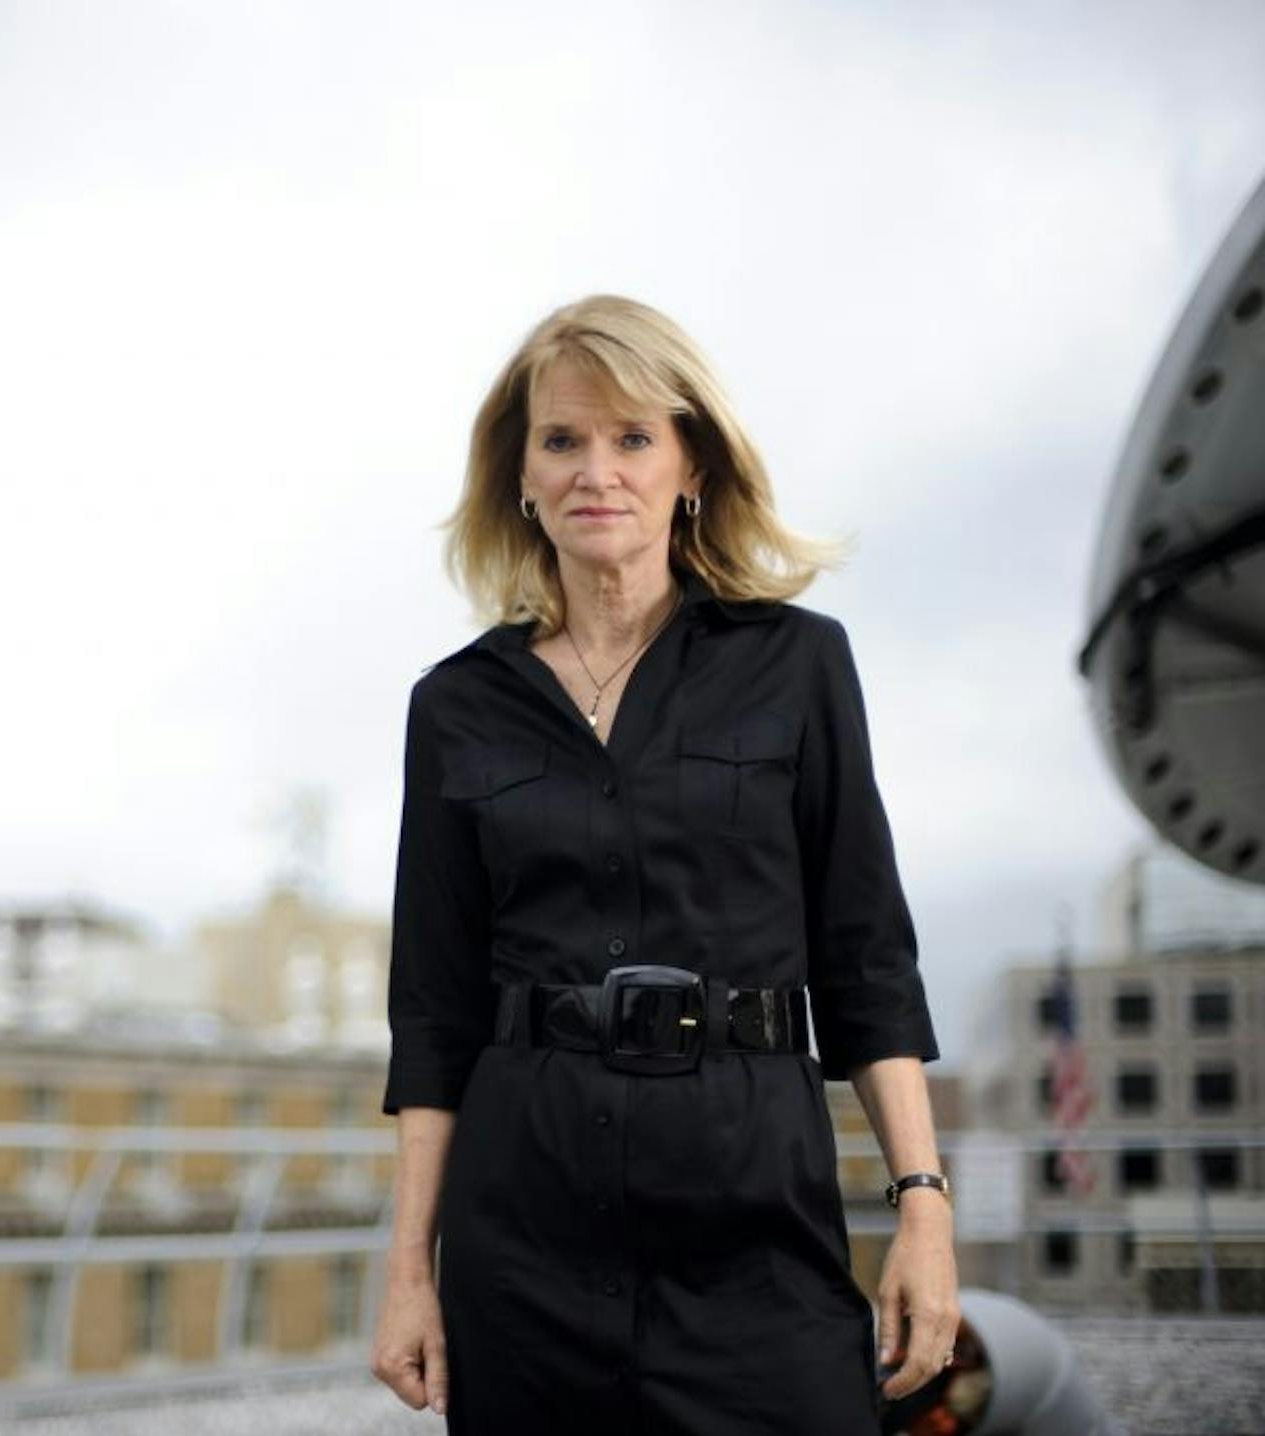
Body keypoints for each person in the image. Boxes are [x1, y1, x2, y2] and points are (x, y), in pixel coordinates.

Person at [367, 294, 959, 1434]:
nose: (598, 469)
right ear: (523, 477)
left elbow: (868, 956)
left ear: (692, 465)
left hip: (756, 1234)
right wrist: (408, 1271)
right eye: (563, 439)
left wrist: (923, 1211)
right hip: (523, 1241)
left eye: (633, 437)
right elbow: (433, 1012)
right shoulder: (454, 706)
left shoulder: (800, 665)